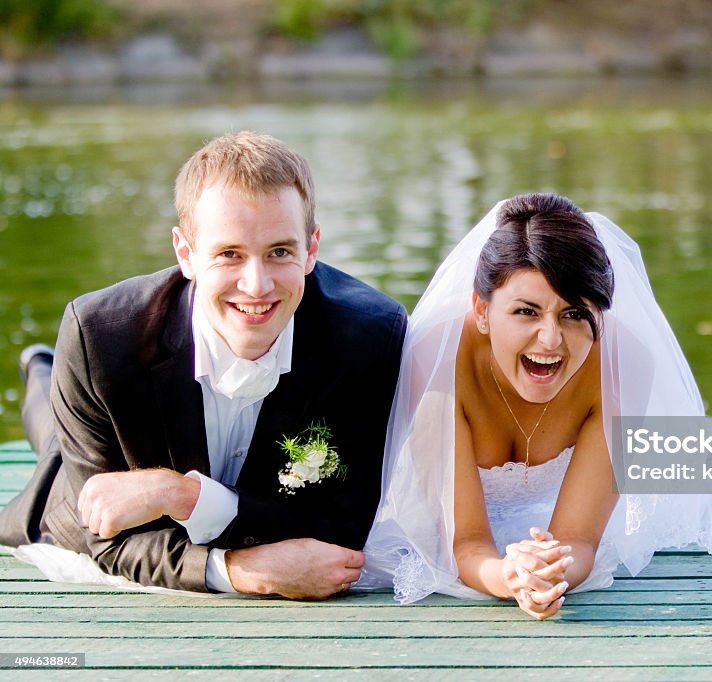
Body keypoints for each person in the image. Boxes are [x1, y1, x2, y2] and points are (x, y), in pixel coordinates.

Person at [0, 132, 407, 599]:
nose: (256, 286)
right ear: (185, 253)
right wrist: (234, 570)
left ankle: (40, 372)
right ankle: (42, 371)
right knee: (54, 444)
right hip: (82, 476)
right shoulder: (100, 337)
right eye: (229, 254)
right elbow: (105, 537)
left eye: (279, 252)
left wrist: (182, 496)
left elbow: (346, 522)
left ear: (312, 248)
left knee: (49, 418)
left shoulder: (371, 338)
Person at [359, 193, 712, 619]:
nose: (550, 340)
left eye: (574, 314)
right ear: (483, 310)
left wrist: (552, 574)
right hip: (448, 530)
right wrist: (509, 576)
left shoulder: (624, 364)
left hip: (579, 522)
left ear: (601, 314)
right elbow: (466, 542)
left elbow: (580, 539)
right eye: (527, 312)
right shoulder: (435, 356)